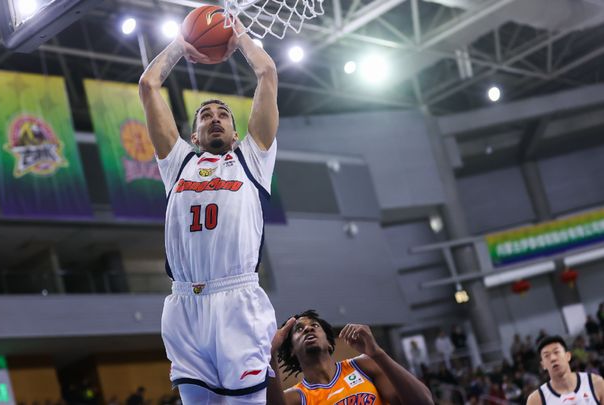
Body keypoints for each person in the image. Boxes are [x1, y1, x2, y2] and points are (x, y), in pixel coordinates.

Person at [138, 19, 279, 404]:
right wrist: (179, 47)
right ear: (193, 136)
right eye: (205, 115)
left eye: (223, 115)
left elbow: (267, 73)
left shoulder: (252, 159)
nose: (215, 118)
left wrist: (239, 38)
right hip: (184, 305)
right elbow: (148, 86)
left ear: (235, 134)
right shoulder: (178, 163)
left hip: (237, 300)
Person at [267, 310, 434, 404]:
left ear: (329, 343)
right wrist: (270, 355)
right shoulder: (295, 397)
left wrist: (378, 353)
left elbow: (424, 402)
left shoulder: (364, 365)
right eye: (299, 329)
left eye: (315, 325)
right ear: (292, 350)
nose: (308, 329)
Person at [526, 335, 604, 405]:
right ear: (543, 365)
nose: (553, 358)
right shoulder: (536, 400)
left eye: (556, 352)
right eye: (547, 356)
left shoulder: (595, 383)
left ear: (568, 356)